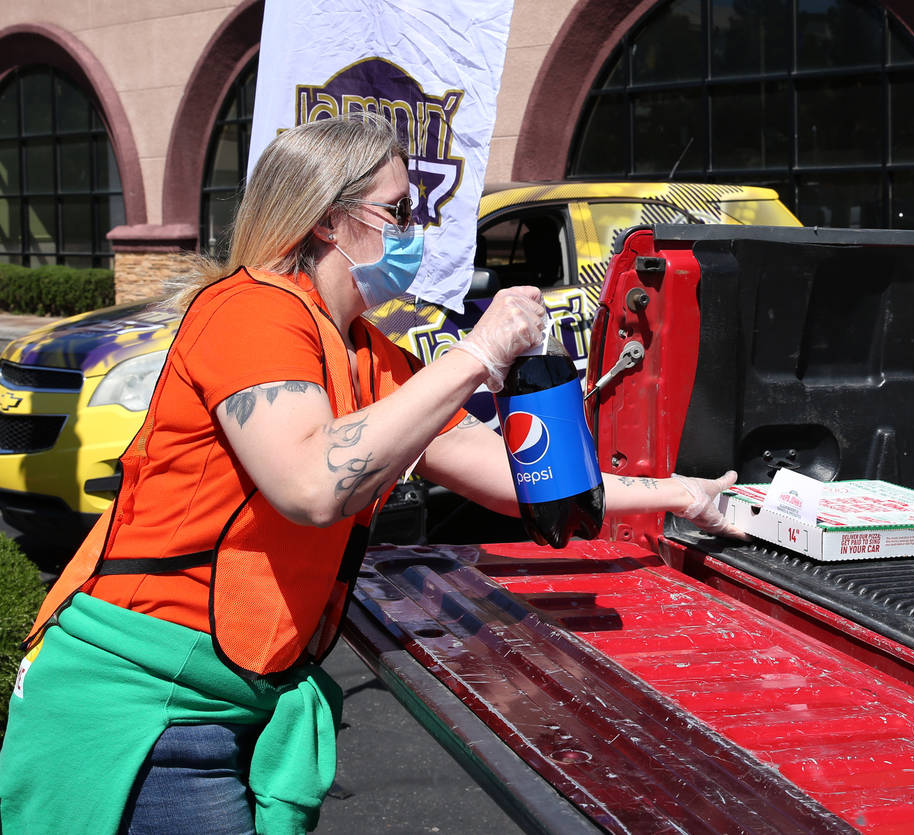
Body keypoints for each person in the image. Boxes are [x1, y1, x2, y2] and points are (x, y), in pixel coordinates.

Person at [0, 113, 740, 834]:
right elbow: (309, 483)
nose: (413, 232)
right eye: (397, 210)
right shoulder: (250, 309)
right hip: (141, 697)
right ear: (328, 219)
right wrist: (477, 355)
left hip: (222, 699)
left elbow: (517, 475)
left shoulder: (366, 353)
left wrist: (685, 495)